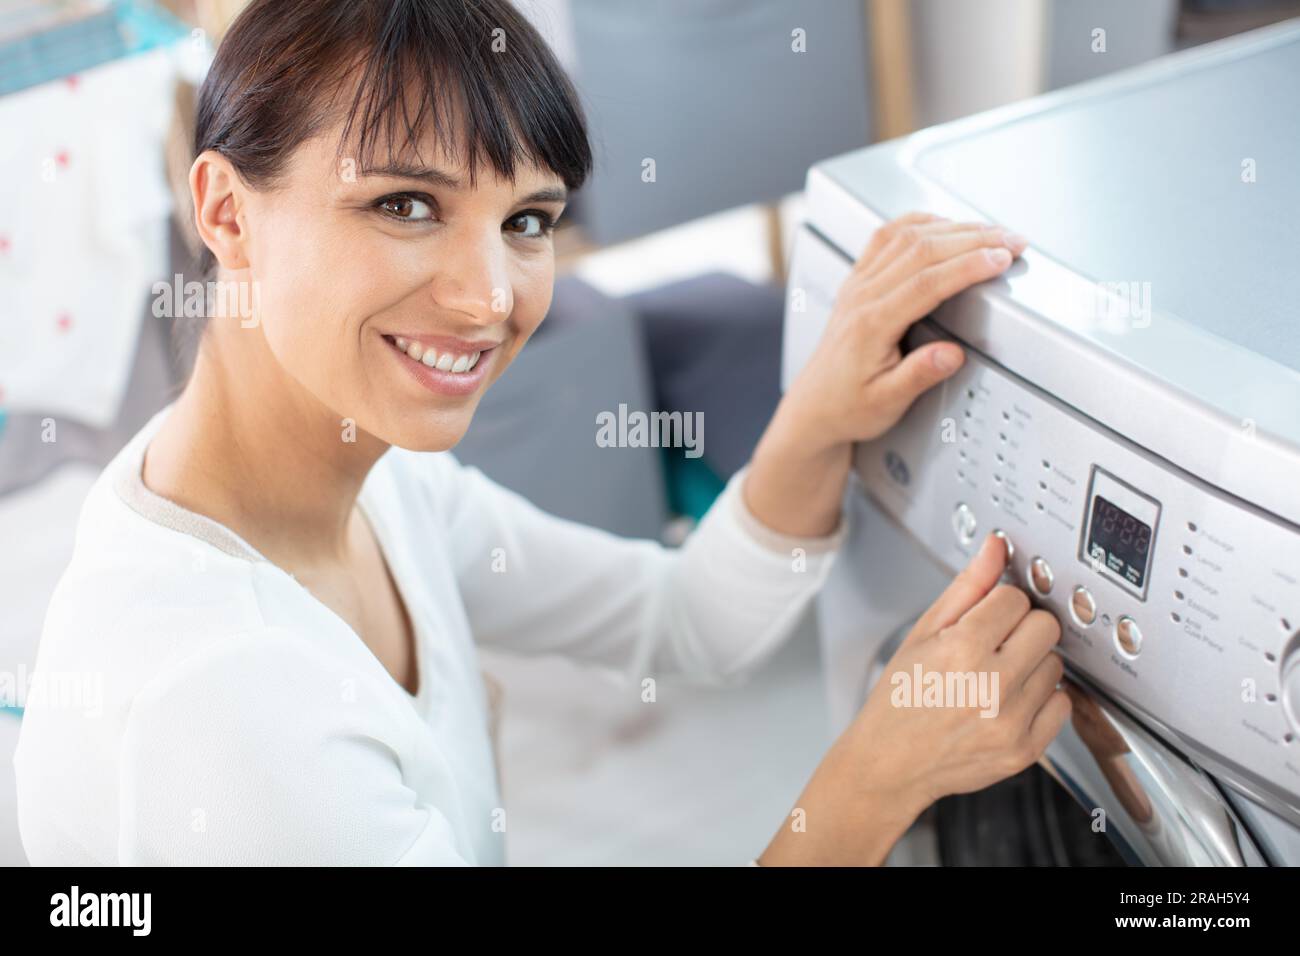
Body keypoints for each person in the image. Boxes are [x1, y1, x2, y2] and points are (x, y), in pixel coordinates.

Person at [13, 0, 1066, 866]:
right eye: (405, 205)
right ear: (228, 213)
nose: (489, 299)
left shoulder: (362, 480)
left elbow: (681, 620)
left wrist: (821, 410)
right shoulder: (219, 704)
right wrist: (873, 781)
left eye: (526, 222)